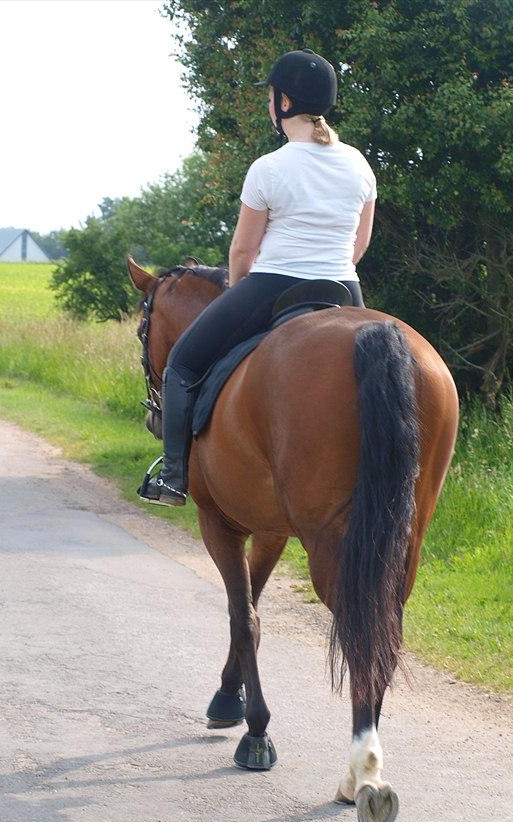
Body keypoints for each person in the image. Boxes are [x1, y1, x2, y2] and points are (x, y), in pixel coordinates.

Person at [139, 48, 377, 507]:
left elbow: (243, 250)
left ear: (284, 102)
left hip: (271, 288)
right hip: (343, 289)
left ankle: (172, 477)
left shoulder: (269, 168)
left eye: (271, 96)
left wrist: (238, 289)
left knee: (182, 365)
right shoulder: (359, 164)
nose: (270, 103)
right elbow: (359, 243)